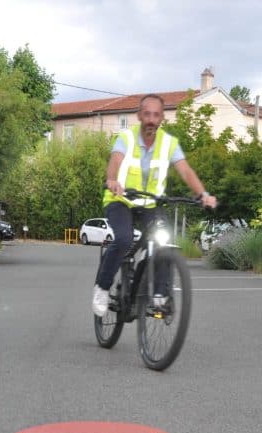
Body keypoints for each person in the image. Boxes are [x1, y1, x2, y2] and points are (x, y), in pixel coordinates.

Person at [93, 93, 217, 317]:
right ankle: (102, 287)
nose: (151, 119)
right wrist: (112, 180)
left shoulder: (169, 144)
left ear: (162, 119)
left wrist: (203, 194)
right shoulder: (126, 138)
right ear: (139, 115)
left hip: (150, 203)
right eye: (147, 114)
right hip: (120, 199)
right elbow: (115, 161)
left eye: (156, 115)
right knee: (123, 239)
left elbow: (185, 170)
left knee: (164, 241)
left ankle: (159, 296)